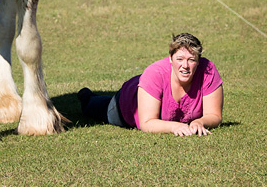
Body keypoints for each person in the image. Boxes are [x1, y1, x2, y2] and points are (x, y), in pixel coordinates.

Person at [78, 33, 223, 136]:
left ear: (198, 61)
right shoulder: (154, 73)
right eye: (179, 59)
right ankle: (87, 97)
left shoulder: (208, 71)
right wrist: (176, 126)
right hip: (127, 104)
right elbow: (147, 123)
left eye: (191, 60)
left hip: (149, 93)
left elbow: (214, 115)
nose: (185, 65)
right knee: (101, 109)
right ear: (170, 59)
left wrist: (200, 122)